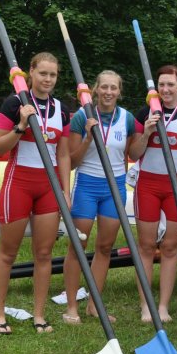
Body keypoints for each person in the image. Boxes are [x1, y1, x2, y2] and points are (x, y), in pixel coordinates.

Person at [0, 52, 71, 335]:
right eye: (43, 73)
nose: (48, 79)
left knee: (44, 253)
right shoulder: (15, 103)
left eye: (53, 74)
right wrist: (21, 126)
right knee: (8, 252)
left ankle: (39, 315)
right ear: (31, 73)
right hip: (19, 183)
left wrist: (65, 191)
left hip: (49, 187)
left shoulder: (62, 109)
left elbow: (63, 153)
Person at [129, 65, 177, 322]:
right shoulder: (145, 113)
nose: (166, 89)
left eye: (171, 84)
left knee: (171, 247)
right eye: (161, 84)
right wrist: (147, 133)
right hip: (148, 186)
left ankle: (163, 306)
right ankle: (146, 306)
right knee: (146, 246)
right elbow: (134, 154)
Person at [61, 70, 137, 325]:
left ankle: (94, 305)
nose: (108, 92)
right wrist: (87, 139)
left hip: (114, 187)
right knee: (78, 246)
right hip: (87, 185)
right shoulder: (82, 116)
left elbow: (128, 155)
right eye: (104, 87)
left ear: (119, 91)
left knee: (105, 247)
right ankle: (72, 306)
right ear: (95, 89)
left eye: (113, 88)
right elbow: (72, 161)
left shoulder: (126, 118)